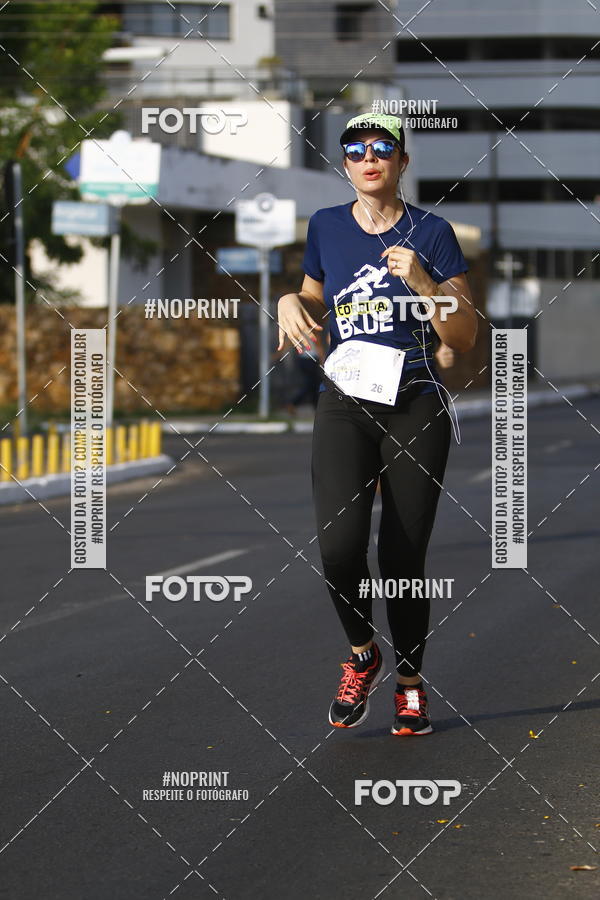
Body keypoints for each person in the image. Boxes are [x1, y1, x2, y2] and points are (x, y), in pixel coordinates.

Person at [277, 113, 477, 736]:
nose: (369, 158)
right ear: (345, 165)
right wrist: (290, 301)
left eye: (382, 148)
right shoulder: (326, 226)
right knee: (338, 548)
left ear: (401, 162)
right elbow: (314, 295)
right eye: (356, 150)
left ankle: (411, 685)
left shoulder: (435, 233)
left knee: (402, 556)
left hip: (415, 403)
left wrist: (422, 280)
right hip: (345, 399)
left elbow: (464, 335)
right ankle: (363, 654)